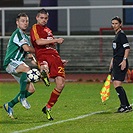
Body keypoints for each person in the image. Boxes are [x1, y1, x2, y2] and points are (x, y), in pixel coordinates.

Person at [30, 9, 67, 120]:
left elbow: (51, 46)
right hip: (43, 55)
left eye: (45, 18)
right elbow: (39, 42)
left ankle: (48, 107)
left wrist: (60, 60)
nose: (44, 20)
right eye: (41, 17)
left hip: (55, 57)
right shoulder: (35, 28)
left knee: (61, 84)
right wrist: (56, 40)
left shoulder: (48, 30)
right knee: (44, 67)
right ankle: (43, 74)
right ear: (37, 18)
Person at [3, 13, 36, 118]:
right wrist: (40, 51)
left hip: (18, 63)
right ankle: (22, 97)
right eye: (22, 21)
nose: (25, 23)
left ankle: (9, 105)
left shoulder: (25, 36)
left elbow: (27, 52)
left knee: (31, 90)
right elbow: (26, 48)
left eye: (26, 21)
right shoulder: (17, 34)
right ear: (17, 23)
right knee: (27, 69)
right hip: (10, 61)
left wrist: (34, 59)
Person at [109, 16, 132, 113]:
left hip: (120, 62)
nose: (114, 25)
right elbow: (116, 51)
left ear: (120, 24)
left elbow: (127, 48)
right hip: (116, 62)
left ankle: (124, 106)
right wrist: (112, 61)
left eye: (116, 23)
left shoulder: (121, 35)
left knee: (117, 84)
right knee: (116, 83)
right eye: (113, 23)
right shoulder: (117, 35)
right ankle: (126, 105)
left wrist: (124, 60)